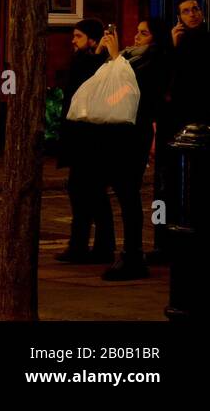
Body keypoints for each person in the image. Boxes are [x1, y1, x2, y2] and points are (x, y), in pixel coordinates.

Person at [93, 19, 170, 280]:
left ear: (155, 38)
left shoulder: (154, 60)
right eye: (137, 32)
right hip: (121, 132)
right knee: (123, 191)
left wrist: (115, 57)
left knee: (129, 192)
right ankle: (129, 253)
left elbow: (132, 88)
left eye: (143, 33)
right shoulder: (130, 57)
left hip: (136, 131)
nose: (136, 37)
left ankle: (133, 255)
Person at [154, 0, 210, 263]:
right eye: (186, 11)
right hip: (174, 121)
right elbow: (167, 79)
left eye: (195, 9)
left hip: (197, 121)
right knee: (168, 184)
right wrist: (173, 46)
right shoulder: (176, 44)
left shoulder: (206, 40)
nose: (193, 14)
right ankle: (165, 240)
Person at [56, 18, 113, 264]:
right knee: (90, 194)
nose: (73, 41)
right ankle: (96, 246)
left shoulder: (95, 64)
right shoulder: (88, 61)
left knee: (85, 193)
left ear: (92, 40)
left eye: (78, 36)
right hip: (84, 139)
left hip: (90, 140)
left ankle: (84, 246)